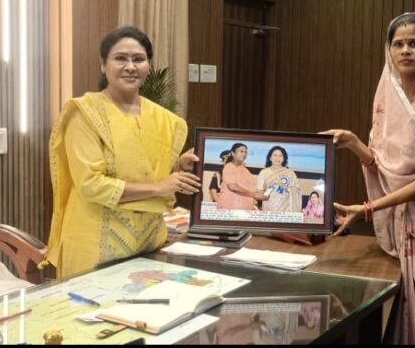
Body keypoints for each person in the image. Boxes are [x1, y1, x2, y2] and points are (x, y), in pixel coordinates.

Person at [325, 13, 415, 344]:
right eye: (398, 44)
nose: (405, 50)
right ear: (389, 50)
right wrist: (354, 143)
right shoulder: (390, 99)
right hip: (406, 218)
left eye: (414, 43)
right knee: (409, 310)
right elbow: (387, 166)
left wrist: (368, 208)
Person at [42, 26, 201, 278]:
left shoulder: (166, 120)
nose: (130, 66)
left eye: (138, 59)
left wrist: (180, 167)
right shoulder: (85, 114)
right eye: (120, 58)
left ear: (148, 65)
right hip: (94, 245)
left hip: (148, 242)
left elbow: (150, 172)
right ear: (103, 65)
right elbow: (91, 185)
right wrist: (158, 188)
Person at [216, 143, 265, 210]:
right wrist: (254, 195)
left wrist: (261, 195)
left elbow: (251, 189)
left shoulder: (246, 171)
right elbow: (232, 186)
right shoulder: (229, 167)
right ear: (233, 153)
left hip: (245, 209)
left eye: (245, 152)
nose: (244, 154)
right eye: (241, 151)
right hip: (230, 208)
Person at [255, 146, 301, 213]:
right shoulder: (264, 172)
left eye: (280, 156)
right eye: (275, 155)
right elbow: (258, 193)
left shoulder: (290, 173)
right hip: (268, 208)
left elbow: (297, 191)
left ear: (284, 158)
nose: (277, 158)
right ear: (270, 158)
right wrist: (263, 193)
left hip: (286, 210)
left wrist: (284, 186)